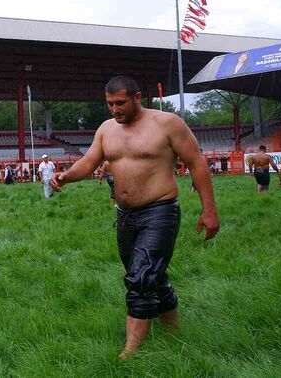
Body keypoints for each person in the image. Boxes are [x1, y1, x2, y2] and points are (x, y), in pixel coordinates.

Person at [50, 76, 220, 359]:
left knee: (140, 278)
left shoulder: (167, 124)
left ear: (137, 97)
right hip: (126, 215)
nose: (114, 110)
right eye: (110, 104)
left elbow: (196, 162)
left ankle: (130, 353)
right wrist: (66, 177)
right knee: (152, 274)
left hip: (160, 211)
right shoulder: (106, 129)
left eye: (120, 103)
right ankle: (171, 330)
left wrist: (209, 210)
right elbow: (90, 162)